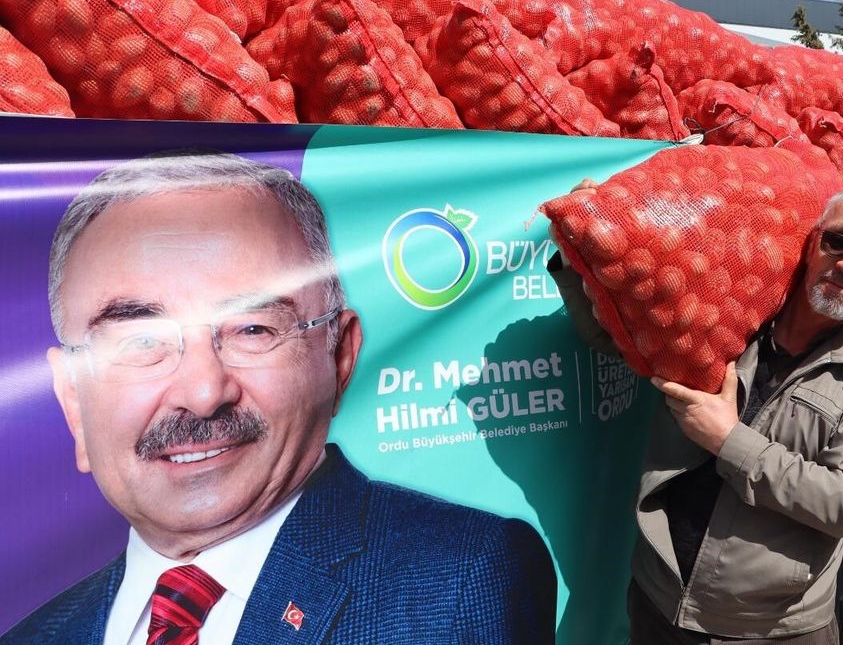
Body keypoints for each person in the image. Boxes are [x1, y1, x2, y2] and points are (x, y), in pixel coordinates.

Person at [2, 151, 555, 645]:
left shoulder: (458, 580)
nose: (203, 394)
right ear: (72, 400)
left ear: (339, 358)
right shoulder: (34, 636)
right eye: (140, 342)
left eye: (252, 330)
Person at [552, 184, 843, 642]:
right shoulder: (735, 307)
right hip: (660, 599)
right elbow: (618, 340)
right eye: (838, 241)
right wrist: (575, 251)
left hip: (770, 627)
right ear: (813, 242)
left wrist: (728, 441)